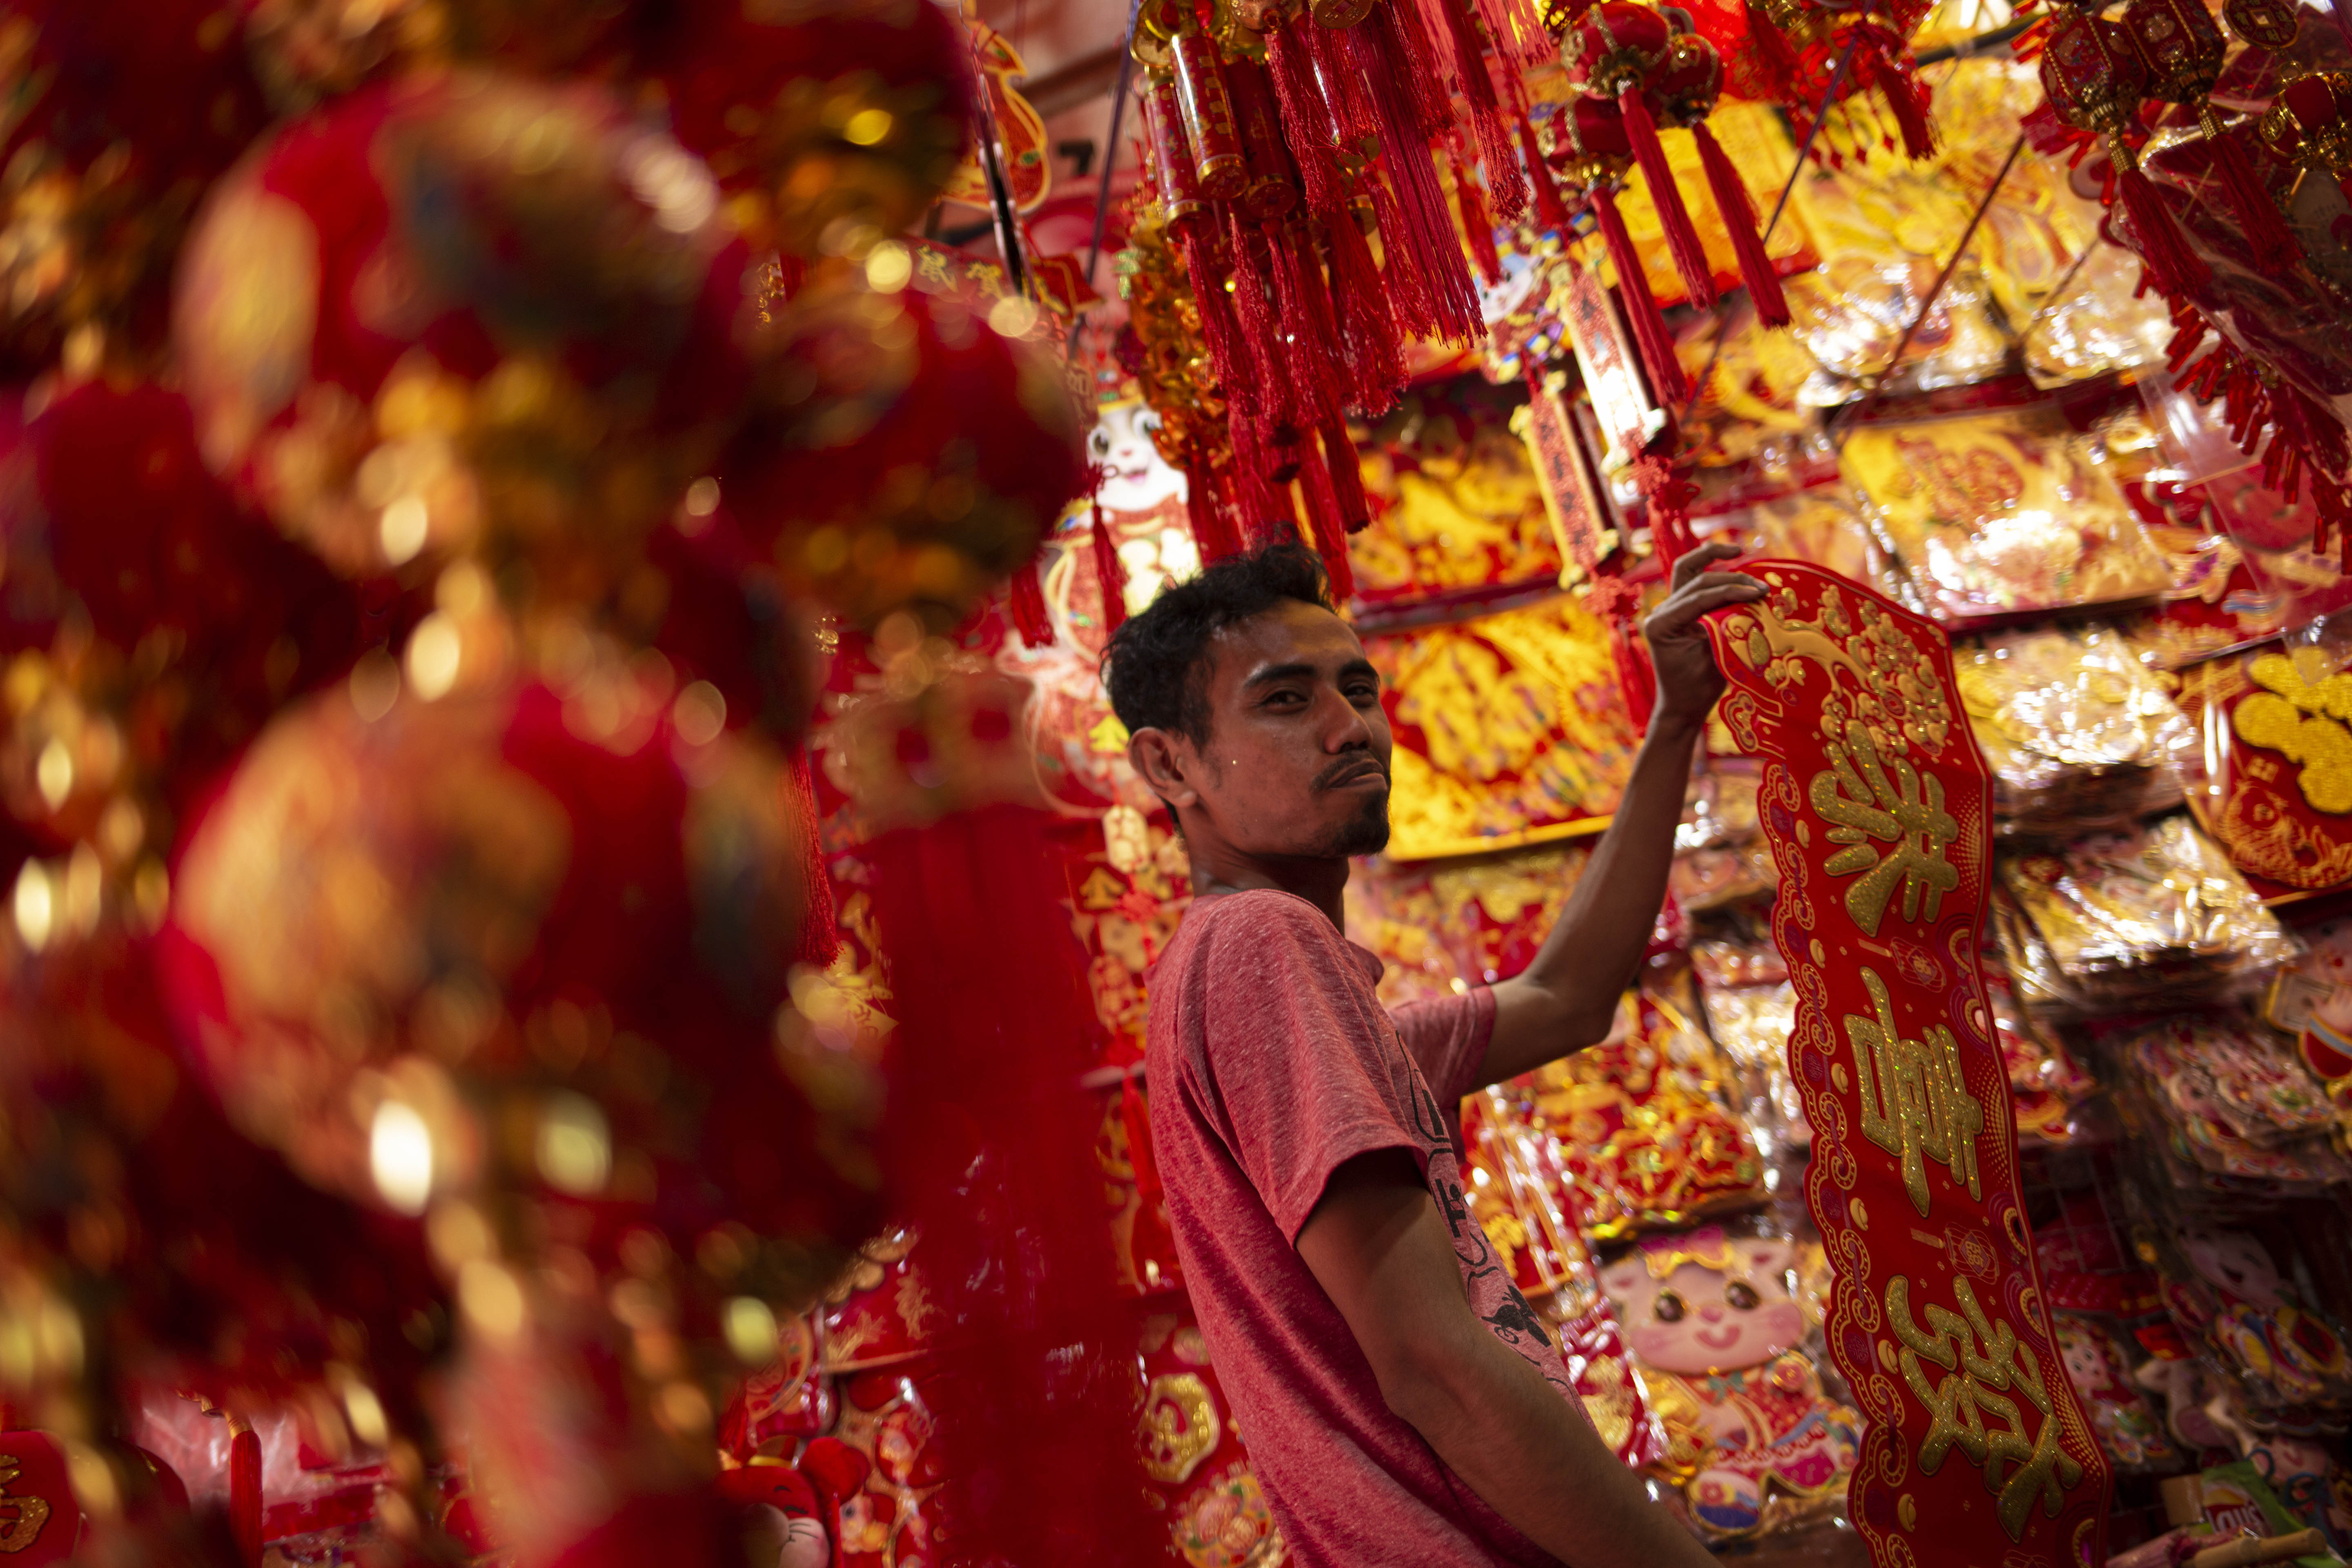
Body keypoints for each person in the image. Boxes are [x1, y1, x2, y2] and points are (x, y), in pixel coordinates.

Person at [1102, 539, 1762, 1568]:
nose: (1349, 725)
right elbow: (1430, 1363)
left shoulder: (1293, 985)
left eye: (1358, 688)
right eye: (1285, 701)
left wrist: (1675, 721)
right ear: (1170, 764)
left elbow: (1567, 998)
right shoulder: (1259, 946)